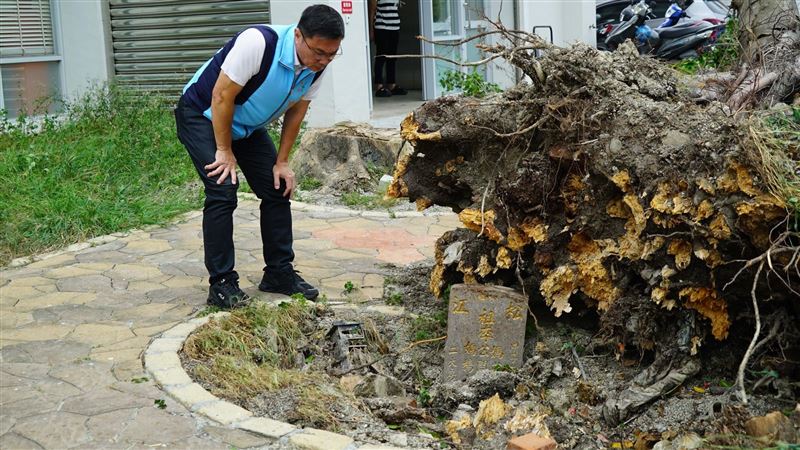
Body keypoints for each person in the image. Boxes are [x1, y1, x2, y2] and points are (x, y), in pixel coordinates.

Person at [174, 4, 344, 308]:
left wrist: (282, 161)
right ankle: (222, 283)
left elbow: (297, 111)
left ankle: (278, 273)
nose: (324, 61)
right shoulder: (257, 43)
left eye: (332, 55)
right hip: (202, 114)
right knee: (223, 189)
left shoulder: (317, 65)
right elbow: (221, 96)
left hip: (246, 125)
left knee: (278, 186)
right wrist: (224, 151)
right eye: (319, 52)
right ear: (298, 36)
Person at [369, 0, 407, 97]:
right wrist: (371, 30)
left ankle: (391, 85)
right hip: (382, 27)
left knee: (392, 57)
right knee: (381, 56)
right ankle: (379, 86)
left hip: (394, 27)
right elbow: (372, 10)